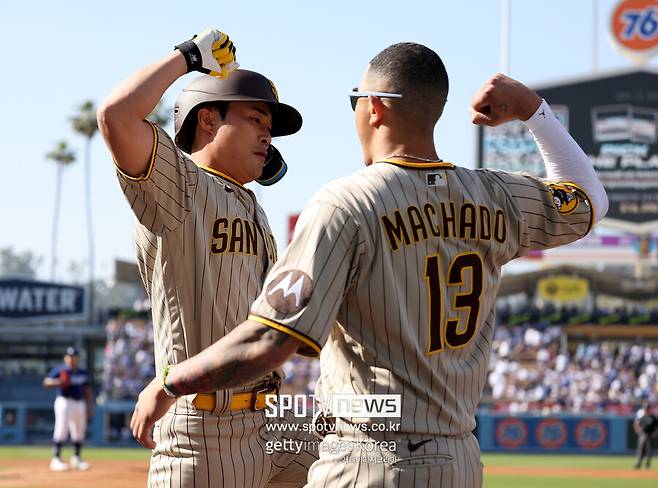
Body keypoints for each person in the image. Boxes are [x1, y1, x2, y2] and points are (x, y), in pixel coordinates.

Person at [131, 42, 608, 487]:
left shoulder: (347, 203)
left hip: (369, 459)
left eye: (356, 100)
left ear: (374, 107)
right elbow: (591, 199)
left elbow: (272, 339)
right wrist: (533, 111)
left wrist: (171, 381)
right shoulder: (495, 196)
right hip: (459, 458)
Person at [98, 27, 316, 487]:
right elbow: (117, 117)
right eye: (256, 120)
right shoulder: (181, 185)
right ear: (208, 121)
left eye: (269, 129)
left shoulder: (253, 205)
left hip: (273, 425)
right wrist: (188, 56)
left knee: (372, 457)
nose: (267, 135)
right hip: (205, 432)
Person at [43, 346, 92, 471]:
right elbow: (46, 382)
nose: (71, 359)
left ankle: (76, 459)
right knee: (61, 429)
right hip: (64, 401)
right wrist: (59, 382)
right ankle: (56, 459)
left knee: (79, 431)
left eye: (74, 356)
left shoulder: (82, 372)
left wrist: (89, 406)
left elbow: (87, 390)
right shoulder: (61, 370)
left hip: (79, 403)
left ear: (78, 358)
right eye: (69, 356)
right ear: (66, 358)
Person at [634, 401, 657, 469]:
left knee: (649, 450)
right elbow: (637, 423)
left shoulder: (653, 417)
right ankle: (639, 463)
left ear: (649, 409)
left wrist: (655, 434)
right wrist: (638, 431)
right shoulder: (642, 417)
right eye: (645, 408)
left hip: (650, 435)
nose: (646, 409)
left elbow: (657, 427)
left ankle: (648, 463)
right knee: (640, 450)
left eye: (647, 408)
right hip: (643, 434)